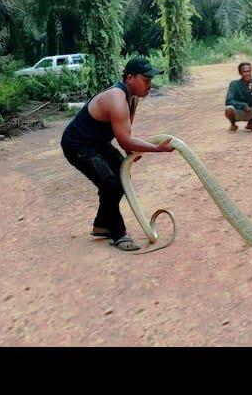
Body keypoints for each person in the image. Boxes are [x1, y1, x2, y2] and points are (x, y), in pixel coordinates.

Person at [61, 57, 174, 251]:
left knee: (123, 175)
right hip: (78, 145)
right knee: (111, 185)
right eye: (146, 80)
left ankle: (101, 225)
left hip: (98, 143)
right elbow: (124, 140)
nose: (149, 85)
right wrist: (156, 149)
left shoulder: (133, 98)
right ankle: (118, 233)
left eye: (150, 81)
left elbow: (125, 133)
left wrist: (130, 152)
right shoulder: (116, 98)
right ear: (130, 78)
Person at [225, 62, 252, 132]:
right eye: (244, 72)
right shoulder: (234, 84)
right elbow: (228, 101)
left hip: (251, 111)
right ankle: (233, 124)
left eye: (249, 71)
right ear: (240, 73)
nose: (247, 74)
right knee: (229, 109)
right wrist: (243, 105)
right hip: (238, 111)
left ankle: (251, 123)